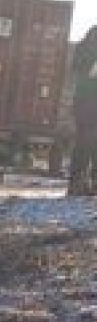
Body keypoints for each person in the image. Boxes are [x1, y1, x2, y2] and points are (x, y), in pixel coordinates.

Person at [66, 26, 97, 196]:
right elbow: (84, 70)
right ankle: (82, 185)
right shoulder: (88, 47)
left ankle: (77, 184)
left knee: (83, 143)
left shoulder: (83, 45)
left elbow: (76, 69)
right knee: (87, 143)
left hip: (83, 102)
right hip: (89, 102)